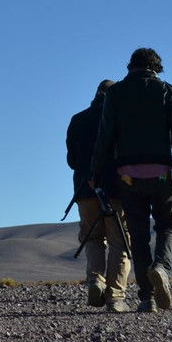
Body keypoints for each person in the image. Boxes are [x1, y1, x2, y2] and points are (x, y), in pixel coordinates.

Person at [91, 48, 172, 313]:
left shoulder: (115, 93)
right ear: (157, 67)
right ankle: (161, 266)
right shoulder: (168, 91)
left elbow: (105, 136)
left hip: (127, 175)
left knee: (137, 237)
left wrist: (95, 173)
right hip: (160, 171)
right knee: (168, 226)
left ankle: (147, 298)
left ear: (130, 66)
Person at [66, 79, 132, 312]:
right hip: (116, 189)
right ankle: (115, 296)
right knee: (119, 241)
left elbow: (72, 161)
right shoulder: (121, 119)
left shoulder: (78, 119)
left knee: (92, 239)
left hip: (85, 191)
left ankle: (95, 281)